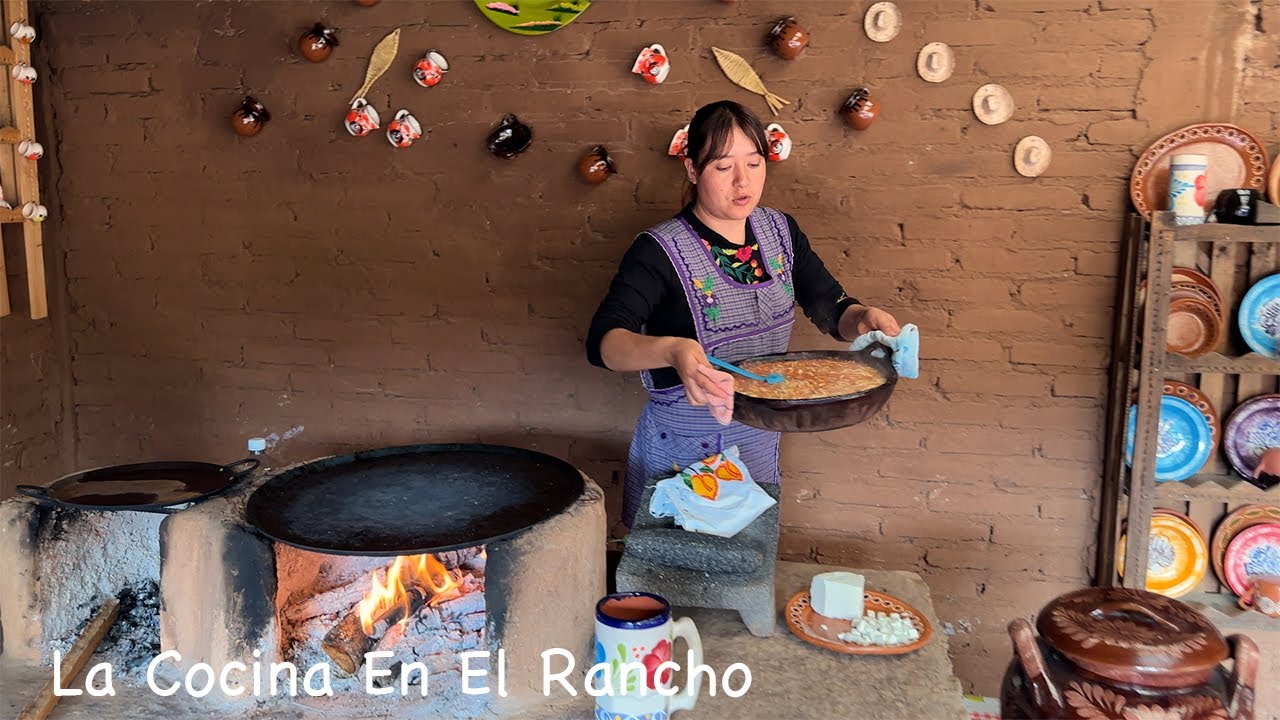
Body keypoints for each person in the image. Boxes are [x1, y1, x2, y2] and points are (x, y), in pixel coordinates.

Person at [586, 100, 901, 526]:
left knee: (742, 575)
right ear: (693, 170)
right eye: (722, 167)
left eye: (754, 163)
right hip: (682, 453)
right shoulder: (659, 251)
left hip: (755, 441)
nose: (742, 181)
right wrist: (673, 350)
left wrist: (860, 317)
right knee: (674, 577)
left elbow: (830, 303)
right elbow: (604, 343)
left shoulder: (780, 232)